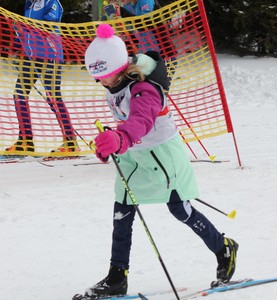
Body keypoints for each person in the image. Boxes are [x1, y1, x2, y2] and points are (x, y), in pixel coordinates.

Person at [72, 24, 238, 300]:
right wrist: (110, 144)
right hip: (134, 155)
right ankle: (117, 276)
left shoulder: (144, 88)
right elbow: (126, 124)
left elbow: (142, 121)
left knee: (179, 208)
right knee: (122, 207)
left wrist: (121, 137)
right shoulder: (115, 83)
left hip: (162, 154)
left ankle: (224, 247)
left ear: (116, 69)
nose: (98, 81)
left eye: (101, 75)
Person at [5, 0, 78, 154]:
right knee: (19, 94)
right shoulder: (28, 3)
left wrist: (23, 27)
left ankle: (70, 142)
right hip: (31, 57)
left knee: (53, 97)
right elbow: (25, 33)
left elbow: (46, 27)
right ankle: (25, 140)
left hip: (49, 55)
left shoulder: (52, 2)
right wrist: (17, 45)